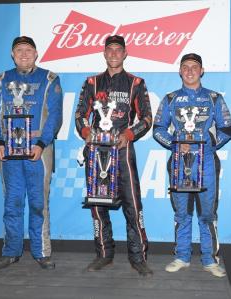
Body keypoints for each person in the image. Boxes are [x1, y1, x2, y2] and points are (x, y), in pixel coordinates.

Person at [75, 35, 153, 277]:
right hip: (97, 150)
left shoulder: (136, 83)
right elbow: (79, 114)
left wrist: (128, 134)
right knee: (97, 206)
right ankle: (103, 255)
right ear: (104, 53)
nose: (114, 54)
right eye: (110, 50)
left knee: (133, 204)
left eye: (118, 50)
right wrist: (87, 132)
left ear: (125, 53)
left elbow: (148, 117)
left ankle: (138, 257)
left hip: (123, 150)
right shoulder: (91, 82)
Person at [153, 53, 231, 277]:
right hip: (179, 163)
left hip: (206, 161)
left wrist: (206, 142)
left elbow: (227, 129)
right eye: (185, 67)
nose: (189, 71)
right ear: (180, 71)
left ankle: (210, 259)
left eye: (194, 67)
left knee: (207, 213)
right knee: (181, 212)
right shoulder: (170, 99)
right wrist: (176, 144)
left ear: (202, 71)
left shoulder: (214, 98)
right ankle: (182, 256)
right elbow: (158, 129)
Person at [0, 36, 63, 270]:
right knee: (12, 202)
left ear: (36, 53)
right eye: (19, 50)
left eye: (28, 50)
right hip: (9, 153)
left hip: (38, 152)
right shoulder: (1, 81)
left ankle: (41, 252)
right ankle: (11, 251)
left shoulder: (49, 79)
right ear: (12, 54)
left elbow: (55, 116)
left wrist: (41, 143)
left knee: (39, 203)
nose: (24, 54)